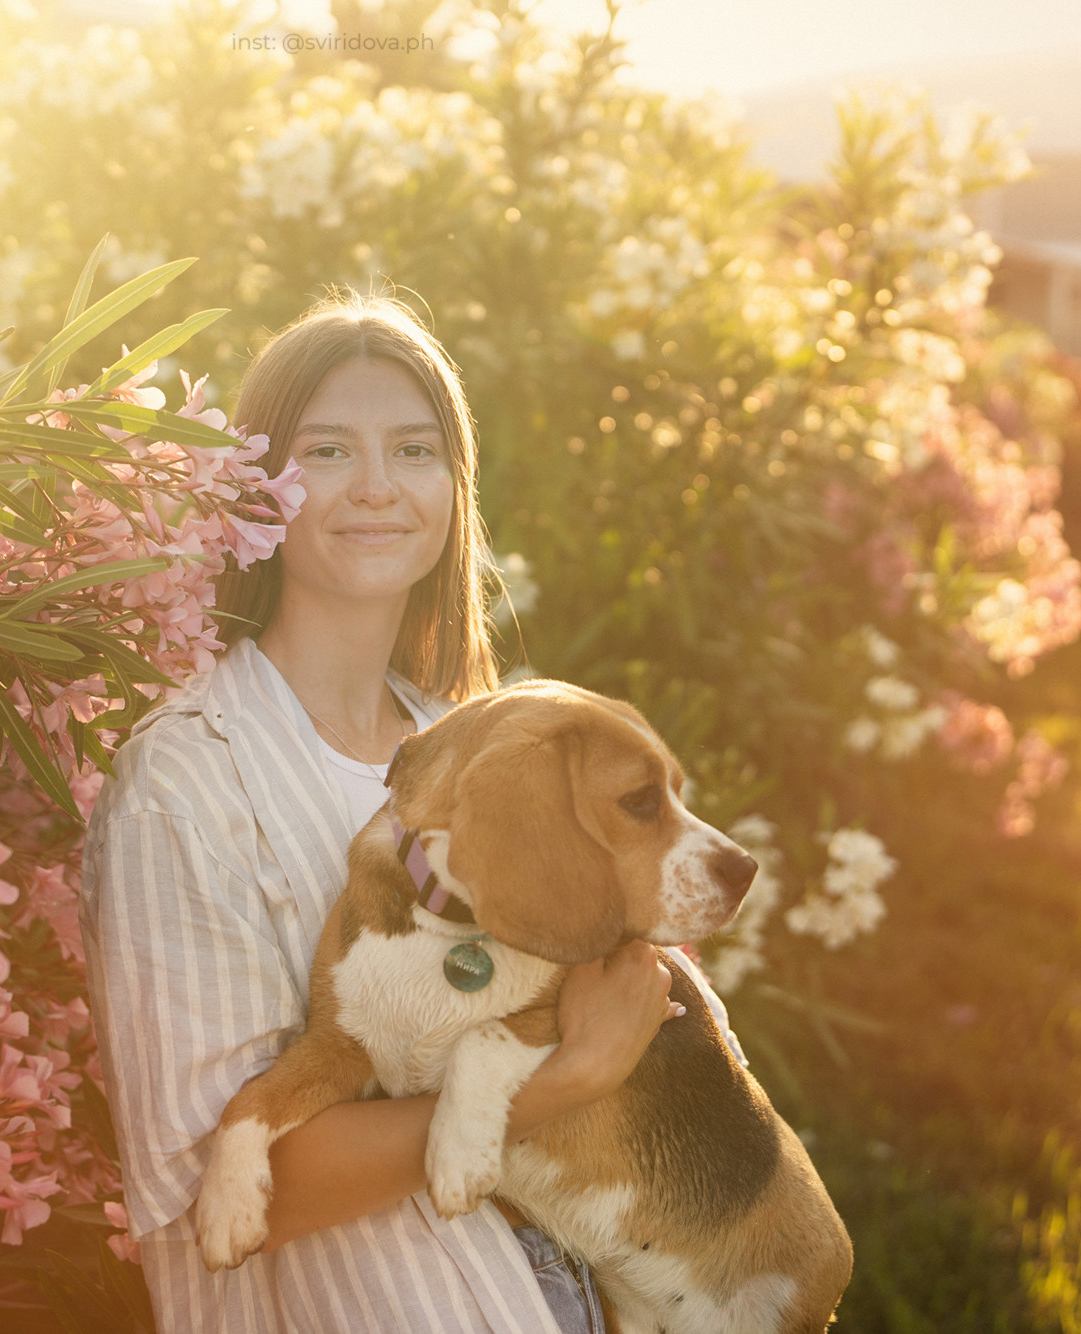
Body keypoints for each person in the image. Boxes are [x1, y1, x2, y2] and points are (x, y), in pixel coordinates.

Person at [80, 287, 740, 1332]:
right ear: (254, 484)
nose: (378, 486)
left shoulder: (477, 744)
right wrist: (562, 1079)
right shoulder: (181, 785)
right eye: (327, 450)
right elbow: (220, 1182)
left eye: (415, 449)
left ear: (453, 484)